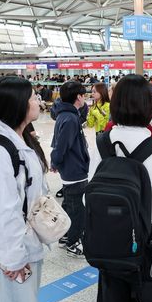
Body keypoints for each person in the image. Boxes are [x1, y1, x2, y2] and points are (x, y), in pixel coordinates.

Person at [96, 75, 152, 302]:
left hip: (110, 250)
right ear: (149, 107)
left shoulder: (102, 144)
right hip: (151, 253)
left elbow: (88, 197)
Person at [0, 76, 48, 302]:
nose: (37, 101)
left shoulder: (22, 139)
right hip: (13, 253)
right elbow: (3, 211)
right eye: (32, 97)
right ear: (18, 103)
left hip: (28, 244)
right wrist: (14, 259)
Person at [50, 81, 90, 258]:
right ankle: (74, 242)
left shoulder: (64, 115)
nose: (85, 98)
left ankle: (66, 236)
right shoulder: (70, 118)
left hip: (70, 168)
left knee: (68, 203)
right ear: (78, 97)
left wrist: (56, 162)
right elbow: (61, 145)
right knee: (77, 208)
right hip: (74, 169)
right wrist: (55, 162)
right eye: (83, 95)